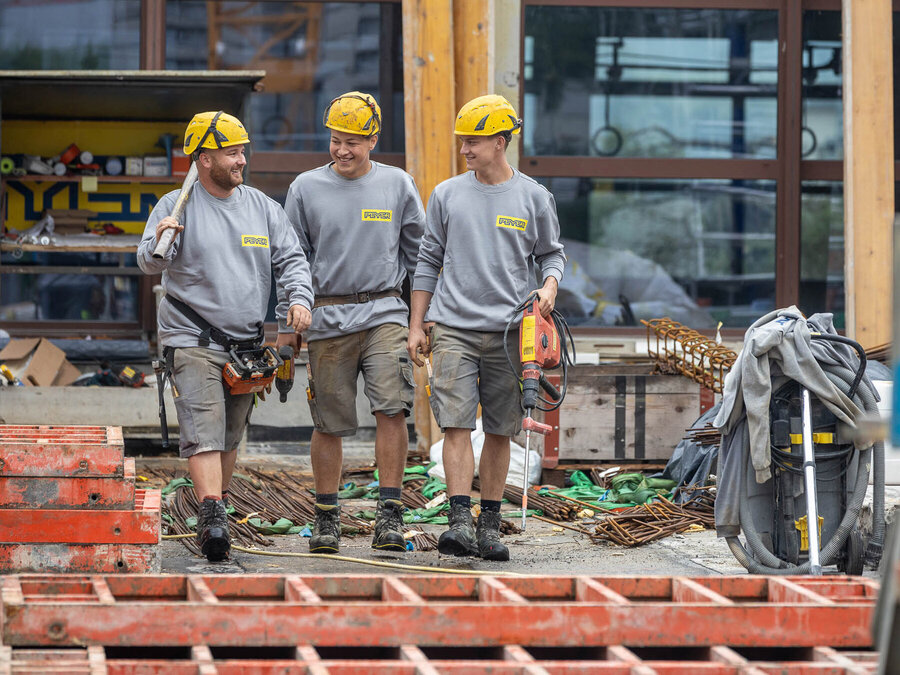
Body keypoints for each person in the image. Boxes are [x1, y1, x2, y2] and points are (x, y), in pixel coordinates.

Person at [137, 111, 313, 562]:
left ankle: (218, 505)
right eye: (232, 152)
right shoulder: (175, 206)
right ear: (203, 158)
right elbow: (148, 263)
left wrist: (299, 299)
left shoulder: (261, 207)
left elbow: (291, 260)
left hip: (245, 346)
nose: (241, 160)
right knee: (205, 431)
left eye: (242, 151)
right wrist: (162, 239)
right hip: (192, 339)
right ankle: (212, 516)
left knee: (231, 435)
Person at [407, 94, 565, 561]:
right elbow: (427, 259)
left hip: (511, 332)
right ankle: (459, 521)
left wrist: (550, 286)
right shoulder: (448, 194)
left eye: (473, 140)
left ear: (500, 142)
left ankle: (490, 525)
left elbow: (551, 253)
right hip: (453, 326)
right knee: (455, 424)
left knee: (500, 429)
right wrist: (418, 324)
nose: (465, 149)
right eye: (462, 141)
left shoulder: (534, 197)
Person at [276, 92, 425, 554]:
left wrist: (422, 318)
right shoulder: (305, 188)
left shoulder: (397, 185)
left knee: (392, 409)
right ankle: (326, 518)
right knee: (330, 422)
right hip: (326, 318)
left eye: (353, 143)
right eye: (336, 141)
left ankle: (389, 516)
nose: (342, 150)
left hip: (384, 312)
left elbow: (420, 256)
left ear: (373, 140)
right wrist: (289, 323)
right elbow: (290, 258)